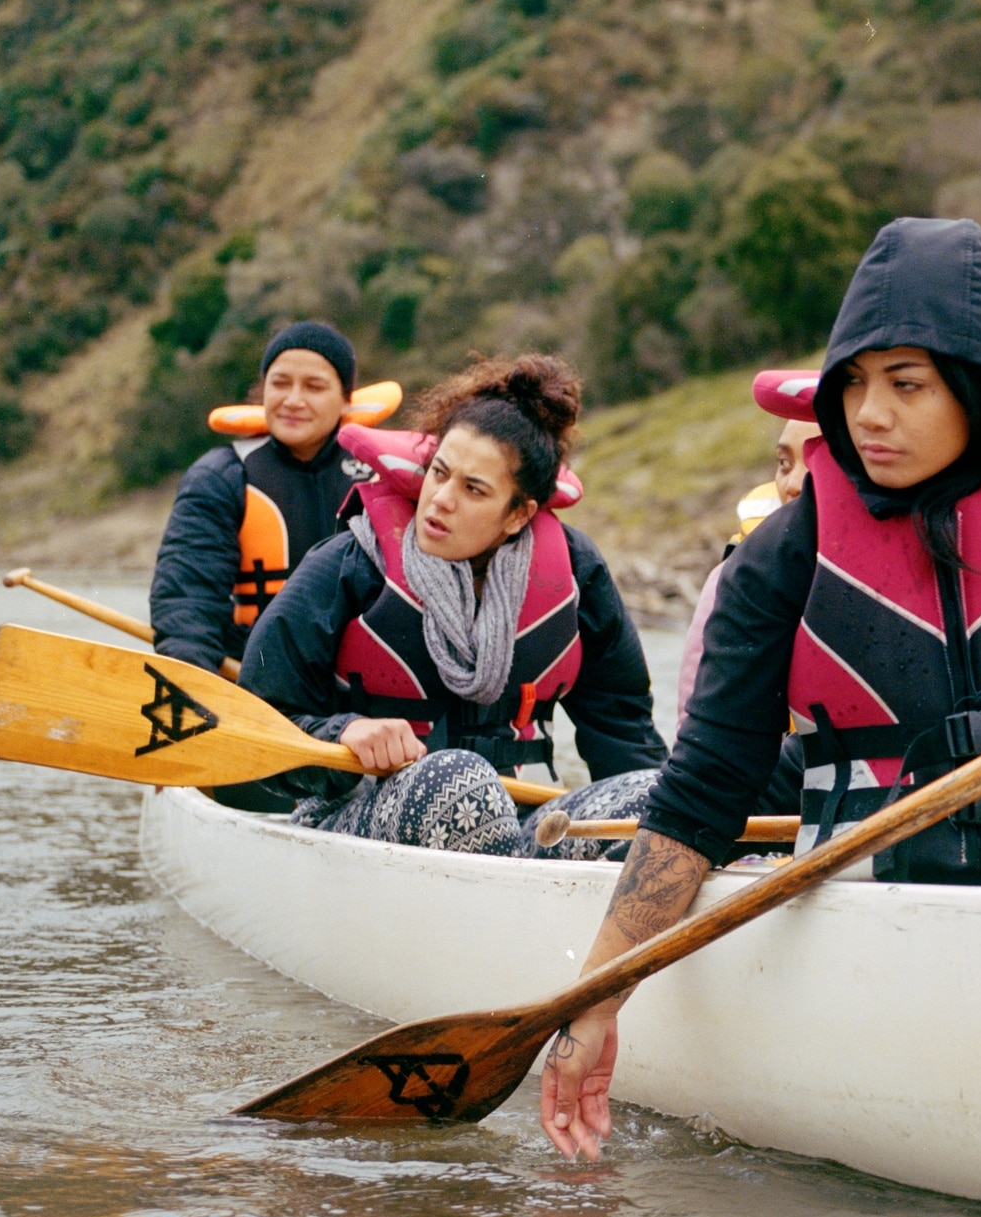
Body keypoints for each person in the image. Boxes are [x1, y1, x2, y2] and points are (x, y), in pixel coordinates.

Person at [539, 216, 981, 1159]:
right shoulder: (785, 550)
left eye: (906, 385)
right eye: (854, 386)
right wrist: (594, 1000)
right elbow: (704, 788)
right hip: (870, 899)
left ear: (978, 381)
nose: (869, 415)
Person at [236, 354, 666, 856]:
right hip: (354, 815)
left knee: (659, 796)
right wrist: (345, 730)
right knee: (460, 786)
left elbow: (623, 729)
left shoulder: (576, 571)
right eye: (439, 473)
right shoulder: (348, 563)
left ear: (517, 515)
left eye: (473, 489)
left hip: (521, 818)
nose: (440, 499)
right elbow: (258, 717)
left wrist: (662, 833)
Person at [149, 321, 363, 672]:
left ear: (344, 400)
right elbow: (188, 600)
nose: (293, 400)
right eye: (279, 383)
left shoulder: (379, 476)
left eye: (314, 386)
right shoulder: (220, 476)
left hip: (357, 686)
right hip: (257, 678)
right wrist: (192, 682)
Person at [671, 414, 818, 742]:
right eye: (784, 463)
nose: (793, 485)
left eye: (817, 461)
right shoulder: (735, 576)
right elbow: (700, 738)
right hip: (773, 784)